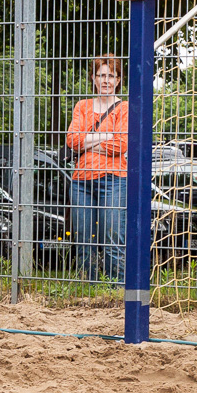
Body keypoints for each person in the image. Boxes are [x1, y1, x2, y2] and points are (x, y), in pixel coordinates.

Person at [65, 54, 128, 282]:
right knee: (83, 240)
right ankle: (86, 290)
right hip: (81, 180)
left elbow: (121, 144)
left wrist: (89, 140)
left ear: (118, 80)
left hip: (114, 179)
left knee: (113, 239)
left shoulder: (125, 108)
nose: (106, 80)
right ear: (93, 78)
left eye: (111, 76)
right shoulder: (82, 106)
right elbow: (72, 140)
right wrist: (107, 136)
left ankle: (115, 291)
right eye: (101, 75)